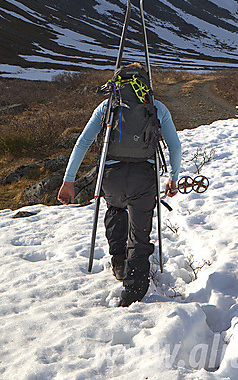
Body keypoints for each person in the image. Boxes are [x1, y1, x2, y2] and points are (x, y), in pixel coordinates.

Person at [57, 62, 182, 307]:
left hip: (112, 176)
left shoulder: (107, 107)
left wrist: (68, 181)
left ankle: (118, 263)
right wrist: (174, 177)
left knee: (115, 209)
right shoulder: (156, 107)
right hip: (144, 176)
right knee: (140, 234)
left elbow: (83, 143)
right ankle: (133, 292)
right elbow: (175, 147)